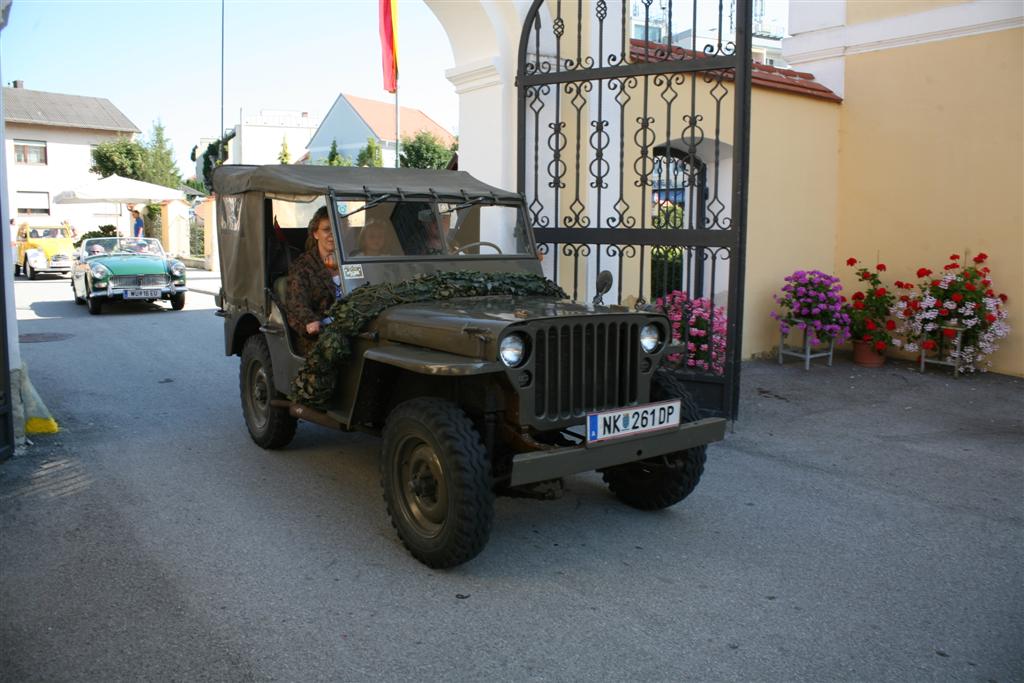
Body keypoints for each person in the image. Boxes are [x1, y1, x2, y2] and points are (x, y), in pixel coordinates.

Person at [285, 206, 341, 354]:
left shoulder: (350, 260)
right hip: (320, 334)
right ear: (315, 233)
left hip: (353, 325)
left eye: (336, 228)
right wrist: (310, 321)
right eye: (326, 229)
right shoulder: (303, 266)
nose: (332, 234)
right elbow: (296, 303)